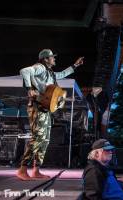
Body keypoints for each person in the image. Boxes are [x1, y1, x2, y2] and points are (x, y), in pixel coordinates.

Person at [17, 49, 84, 180]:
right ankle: (22, 169)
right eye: (52, 57)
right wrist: (30, 88)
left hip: (44, 108)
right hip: (37, 107)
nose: (54, 59)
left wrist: (75, 65)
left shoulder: (50, 73)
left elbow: (63, 74)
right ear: (45, 59)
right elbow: (24, 71)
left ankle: (36, 170)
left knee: (45, 140)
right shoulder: (40, 67)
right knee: (37, 138)